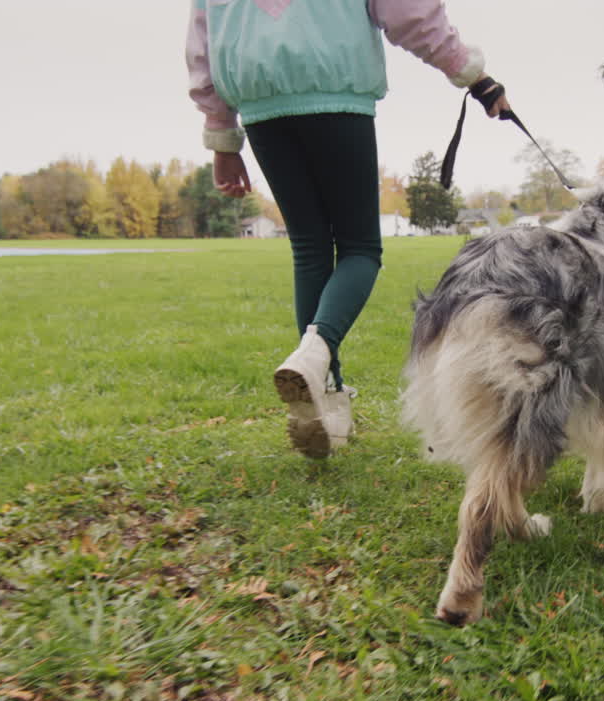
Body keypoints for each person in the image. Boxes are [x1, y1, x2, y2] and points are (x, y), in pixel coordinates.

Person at [187, 0, 509, 458]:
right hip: (333, 84)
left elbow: (203, 39)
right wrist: (474, 76)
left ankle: (326, 403)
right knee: (360, 248)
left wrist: (221, 134)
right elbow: (410, 13)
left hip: (261, 101)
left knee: (311, 249)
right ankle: (317, 356)